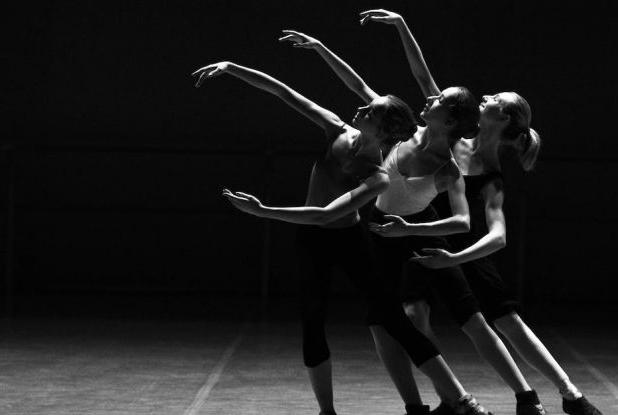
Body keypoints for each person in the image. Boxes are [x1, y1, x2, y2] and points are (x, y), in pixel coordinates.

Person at [193, 55, 489, 415]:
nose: (361, 108)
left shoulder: (377, 174)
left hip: (348, 242)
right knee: (313, 322)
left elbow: (327, 214)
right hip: (311, 242)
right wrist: (231, 68)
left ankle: (459, 400)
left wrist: (263, 211)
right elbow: (285, 93)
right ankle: (327, 412)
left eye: (371, 111)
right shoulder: (336, 128)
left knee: (392, 318)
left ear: (381, 130)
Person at [278, 28, 547, 415]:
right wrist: (323, 47)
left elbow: (459, 222)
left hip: (419, 230)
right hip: (384, 232)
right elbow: (363, 83)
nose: (430, 97)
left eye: (439, 100)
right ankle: (423, 405)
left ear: (451, 119)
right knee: (385, 322)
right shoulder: (402, 131)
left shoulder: (448, 165)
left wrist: (412, 231)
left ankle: (524, 397)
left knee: (469, 316)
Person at [359, 9, 603, 415]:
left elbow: (498, 235)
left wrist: (458, 256)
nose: (484, 98)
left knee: (503, 322)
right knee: (413, 312)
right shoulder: (452, 139)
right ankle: (450, 399)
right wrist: (402, 25)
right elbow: (423, 78)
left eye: (492, 100)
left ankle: (565, 395)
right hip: (424, 235)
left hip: (462, 247)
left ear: (502, 117)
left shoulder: (491, 175)